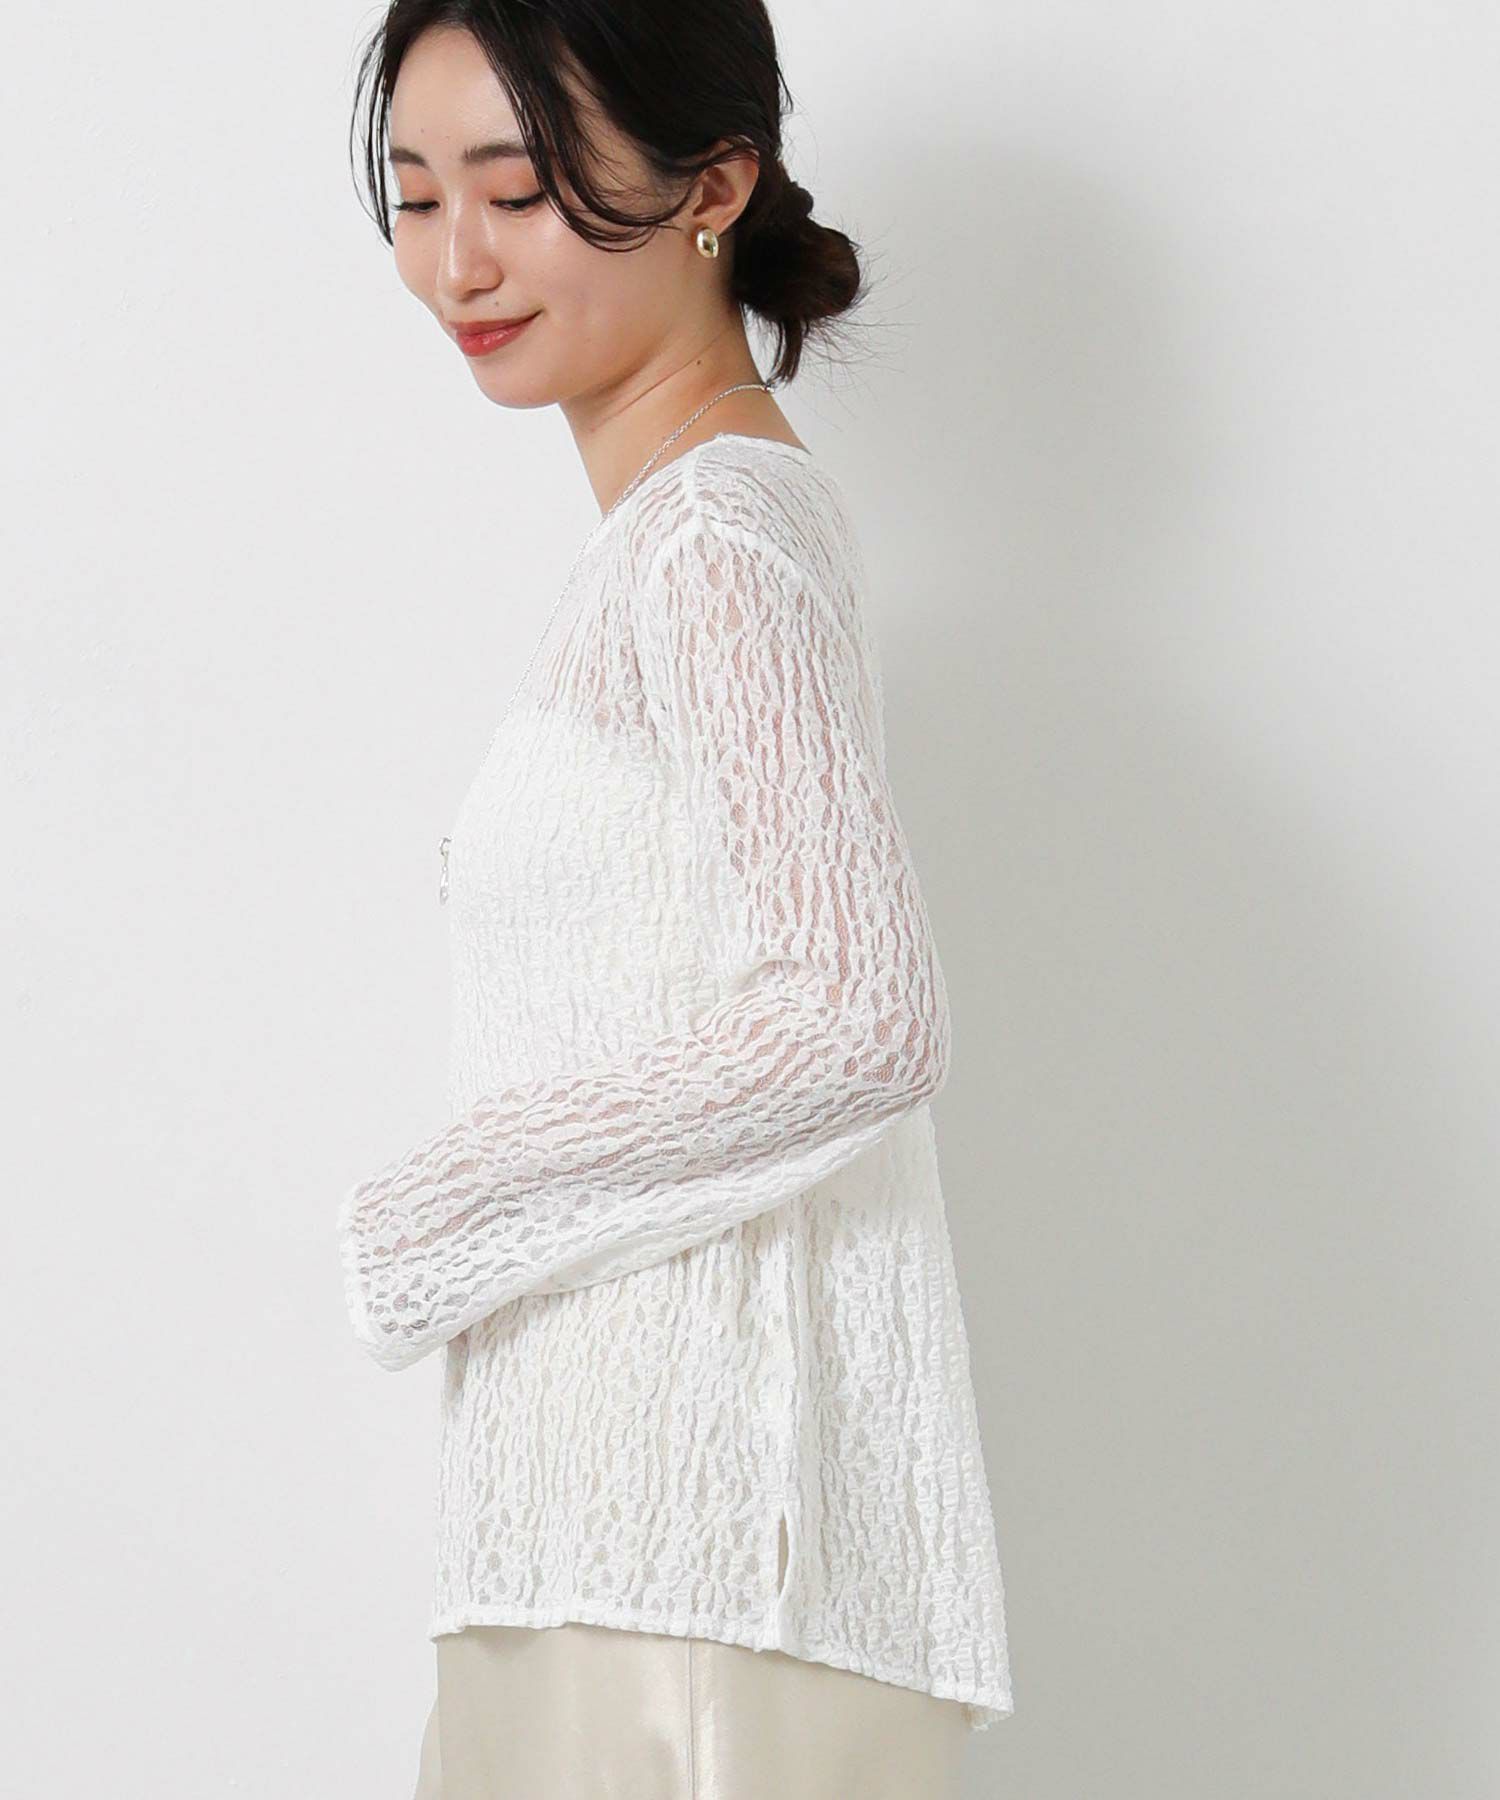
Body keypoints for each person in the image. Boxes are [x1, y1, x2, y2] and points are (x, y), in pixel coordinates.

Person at [338, 2, 1014, 1792]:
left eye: (520, 192)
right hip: (606, 1529)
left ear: (714, 187)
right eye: (417, 196)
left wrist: (439, 1207)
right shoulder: (673, 537)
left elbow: (862, 1011)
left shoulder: (717, 541)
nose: (458, 263)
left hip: (702, 1580)